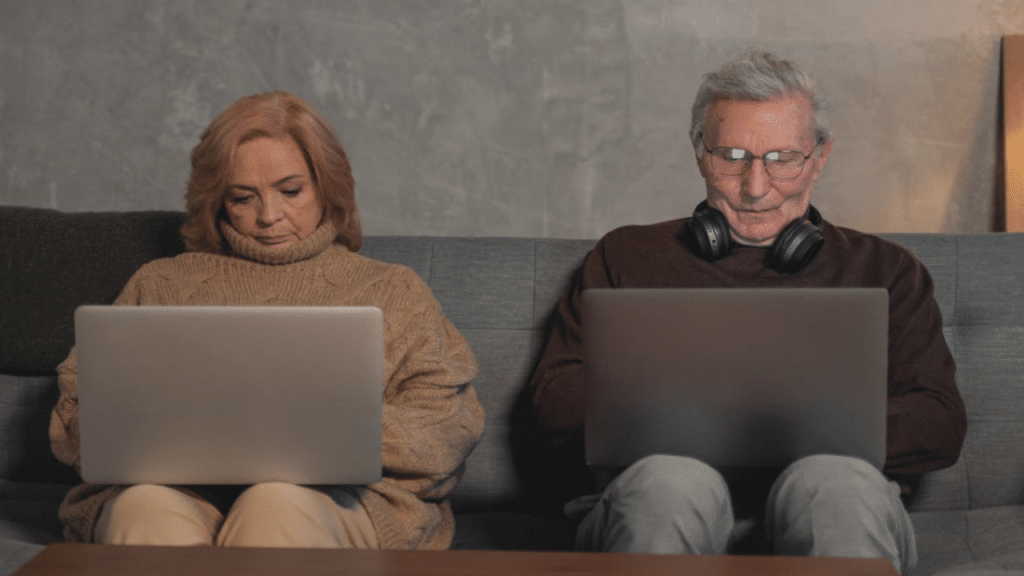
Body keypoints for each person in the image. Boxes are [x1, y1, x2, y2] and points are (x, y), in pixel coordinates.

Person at [528, 51, 966, 575]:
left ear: (820, 157)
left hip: (835, 506)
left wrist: (784, 426)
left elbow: (939, 421)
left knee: (833, 485)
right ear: (699, 152)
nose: (756, 188)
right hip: (660, 504)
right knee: (669, 484)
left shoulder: (888, 269)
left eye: (784, 158)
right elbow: (554, 402)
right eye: (732, 156)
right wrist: (677, 424)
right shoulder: (624, 256)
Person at [49, 91, 485, 549]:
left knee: (273, 506)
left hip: (340, 499)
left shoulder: (395, 290)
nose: (269, 216)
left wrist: (334, 433)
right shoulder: (160, 283)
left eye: (291, 191)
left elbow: (449, 426)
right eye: (242, 197)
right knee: (143, 511)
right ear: (217, 201)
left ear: (327, 185)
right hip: (177, 491)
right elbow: (77, 409)